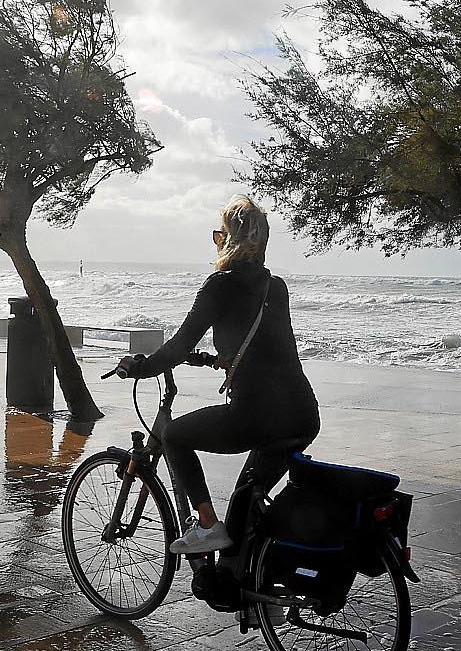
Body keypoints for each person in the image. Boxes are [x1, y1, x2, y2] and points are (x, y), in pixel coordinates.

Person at [117, 195, 320, 554]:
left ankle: (207, 525)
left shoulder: (220, 284)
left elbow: (178, 345)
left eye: (219, 233)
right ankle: (252, 591)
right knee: (245, 506)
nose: (217, 240)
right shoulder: (277, 287)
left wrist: (142, 368)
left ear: (231, 239)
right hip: (302, 414)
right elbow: (269, 347)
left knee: (175, 435)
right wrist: (217, 359)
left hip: (257, 414)